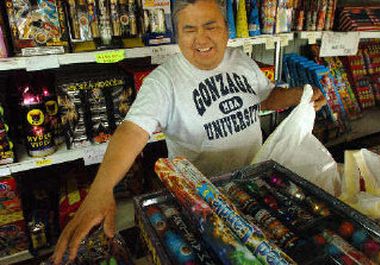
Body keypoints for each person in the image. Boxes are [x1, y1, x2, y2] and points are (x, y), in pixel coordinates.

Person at [52, 0, 326, 263]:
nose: (202, 39)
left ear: (226, 30)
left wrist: (300, 95)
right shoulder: (163, 81)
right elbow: (132, 130)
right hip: (202, 206)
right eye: (189, 29)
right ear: (177, 35)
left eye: (211, 26)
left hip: (255, 188)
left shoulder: (241, 61)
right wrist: (102, 188)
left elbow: (265, 98)